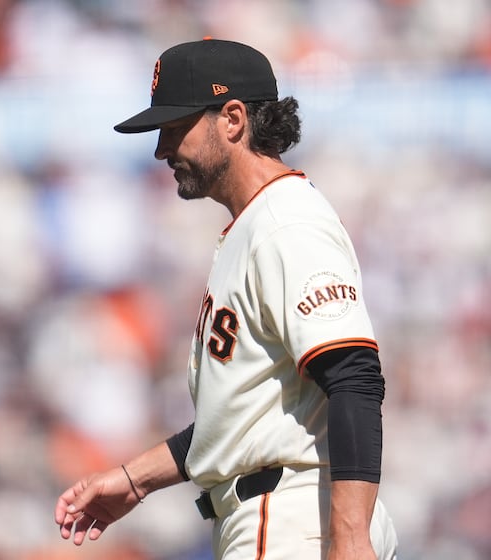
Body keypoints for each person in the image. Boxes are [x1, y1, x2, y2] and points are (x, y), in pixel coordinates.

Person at [54, 38, 398, 560]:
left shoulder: (286, 222)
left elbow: (353, 375)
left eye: (174, 128)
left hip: (293, 522)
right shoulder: (257, 224)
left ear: (233, 119)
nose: (162, 149)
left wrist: (350, 539)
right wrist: (135, 479)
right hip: (277, 516)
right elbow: (241, 421)